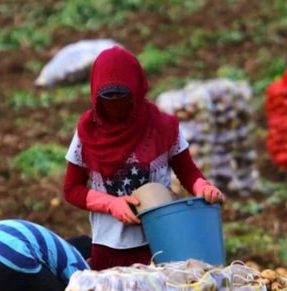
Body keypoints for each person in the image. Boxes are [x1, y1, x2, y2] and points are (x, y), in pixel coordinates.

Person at [62, 45, 224, 270]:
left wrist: (203, 187)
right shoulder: (88, 132)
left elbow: (187, 171)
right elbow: (72, 189)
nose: (115, 103)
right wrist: (111, 204)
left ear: (136, 91)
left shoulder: (162, 127)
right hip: (109, 247)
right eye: (108, 97)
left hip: (160, 242)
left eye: (122, 96)